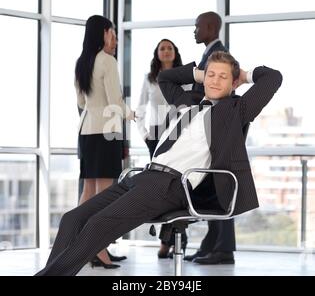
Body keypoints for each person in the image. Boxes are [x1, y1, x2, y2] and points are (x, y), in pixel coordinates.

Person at [35, 51, 282, 276]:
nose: (215, 81)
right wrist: (197, 72)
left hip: (171, 185)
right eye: (211, 74)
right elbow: (165, 77)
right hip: (143, 176)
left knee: (99, 224)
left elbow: (273, 78)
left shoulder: (234, 110)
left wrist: (245, 75)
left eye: (223, 77)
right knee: (72, 219)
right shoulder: (188, 104)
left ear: (233, 82)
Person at [74, 15, 135, 269]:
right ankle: (99, 249)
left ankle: (80, 245)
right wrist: (132, 114)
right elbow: (114, 101)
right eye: (112, 32)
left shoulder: (82, 62)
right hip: (106, 130)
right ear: (103, 33)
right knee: (105, 195)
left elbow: (80, 102)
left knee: (88, 192)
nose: (116, 38)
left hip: (87, 130)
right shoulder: (107, 61)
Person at [184, 11, 236, 265]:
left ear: (211, 27)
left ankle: (224, 249)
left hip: (215, 129)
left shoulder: (220, 56)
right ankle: (212, 245)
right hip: (208, 127)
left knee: (222, 188)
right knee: (213, 187)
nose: (194, 31)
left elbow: (219, 93)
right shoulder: (210, 55)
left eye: (197, 26)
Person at [136, 39, 187, 258]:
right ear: (157, 54)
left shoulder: (184, 76)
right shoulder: (150, 79)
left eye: (170, 48)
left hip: (179, 134)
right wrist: (145, 134)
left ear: (175, 53)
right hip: (156, 136)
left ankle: (176, 240)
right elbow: (140, 108)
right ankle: (166, 240)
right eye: (162, 48)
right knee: (160, 189)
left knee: (178, 186)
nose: (166, 51)